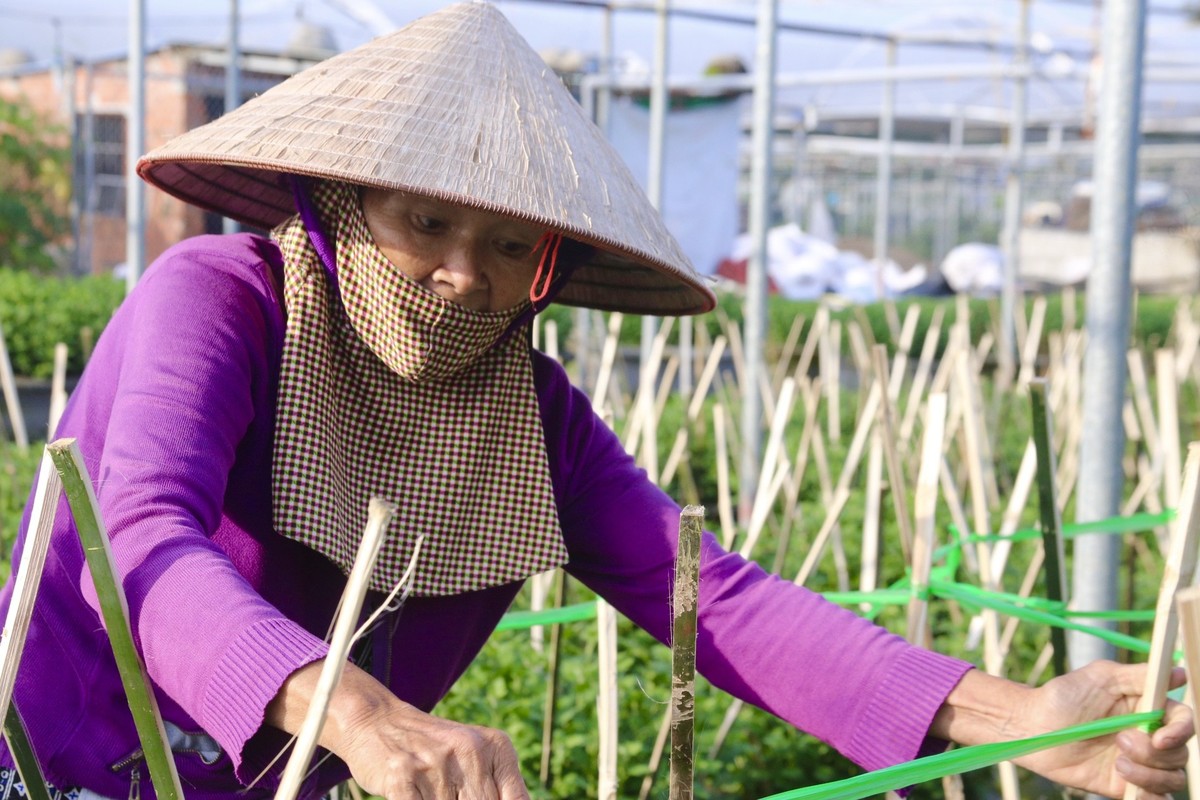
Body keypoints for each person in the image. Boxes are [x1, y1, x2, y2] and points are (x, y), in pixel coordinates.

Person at [0, 4, 1191, 800]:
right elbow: (145, 537)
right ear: (340, 201)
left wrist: (1024, 713)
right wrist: (357, 708)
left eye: (508, 241)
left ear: (549, 266)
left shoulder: (529, 415)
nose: (464, 273)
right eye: (425, 221)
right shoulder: (213, 300)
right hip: (57, 742)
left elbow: (715, 601)